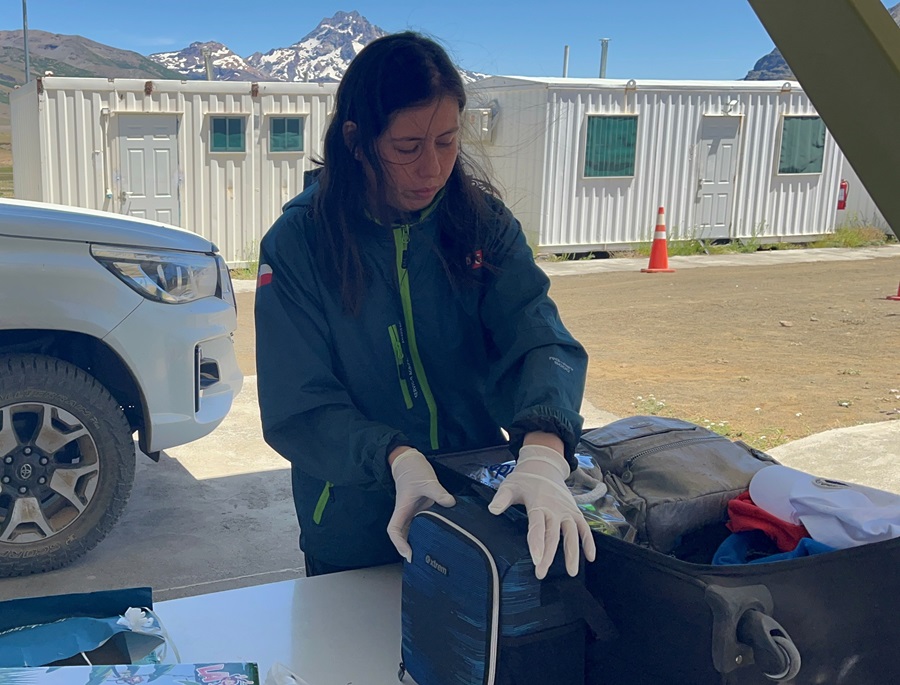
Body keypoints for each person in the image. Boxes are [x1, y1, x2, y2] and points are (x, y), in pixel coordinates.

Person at [254, 31, 595, 580]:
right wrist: (395, 457)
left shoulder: (482, 224)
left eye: (446, 142)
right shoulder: (300, 242)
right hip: (354, 524)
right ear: (358, 141)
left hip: (477, 513)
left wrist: (543, 450)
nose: (432, 169)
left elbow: (539, 338)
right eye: (407, 148)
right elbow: (299, 405)